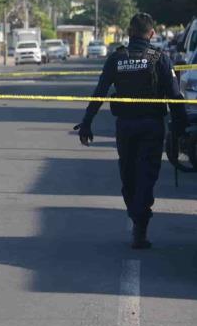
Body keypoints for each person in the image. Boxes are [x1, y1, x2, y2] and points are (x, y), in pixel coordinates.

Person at [74, 13, 187, 249]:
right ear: (152, 34)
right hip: (151, 126)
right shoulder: (160, 59)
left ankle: (138, 222)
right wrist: (181, 128)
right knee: (145, 176)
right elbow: (176, 97)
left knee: (129, 177)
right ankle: (139, 220)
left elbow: (100, 91)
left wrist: (87, 122)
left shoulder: (117, 58)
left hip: (126, 126)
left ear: (129, 32)